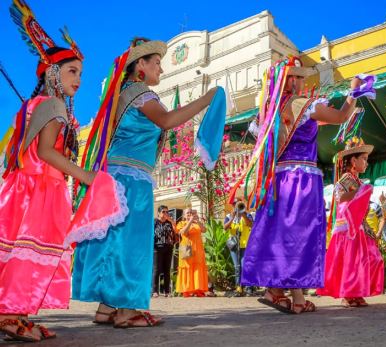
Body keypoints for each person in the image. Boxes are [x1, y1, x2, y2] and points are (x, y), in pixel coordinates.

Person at [72, 38, 222, 328]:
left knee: (117, 242)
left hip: (117, 176)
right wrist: (207, 99)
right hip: (130, 179)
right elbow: (166, 121)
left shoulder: (122, 93)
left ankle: (106, 308)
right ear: (139, 64)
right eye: (156, 63)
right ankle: (128, 311)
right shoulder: (138, 91)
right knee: (133, 246)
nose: (161, 70)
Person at [0, 0, 125, 342]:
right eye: (72, 72)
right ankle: (11, 315)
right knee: (29, 254)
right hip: (40, 190)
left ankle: (16, 314)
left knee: (18, 254)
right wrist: (86, 176)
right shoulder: (53, 105)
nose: (79, 80)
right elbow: (44, 153)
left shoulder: (34, 106)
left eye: (81, 73)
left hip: (24, 188)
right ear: (52, 73)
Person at [238, 56, 364, 314]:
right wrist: (354, 91)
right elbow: (341, 116)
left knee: (281, 235)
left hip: (277, 180)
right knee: (300, 236)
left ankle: (284, 293)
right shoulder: (303, 104)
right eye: (301, 77)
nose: (304, 82)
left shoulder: (268, 110)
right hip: (302, 178)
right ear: (291, 80)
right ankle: (290, 296)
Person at [320, 137, 384, 307]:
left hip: (359, 226)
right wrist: (361, 192)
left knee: (369, 258)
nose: (366, 163)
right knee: (352, 260)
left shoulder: (358, 181)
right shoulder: (345, 180)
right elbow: (341, 198)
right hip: (347, 228)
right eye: (364, 159)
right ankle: (348, 294)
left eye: (366, 159)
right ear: (353, 160)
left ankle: (356, 291)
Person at [224, 198, 254, 296]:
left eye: (238, 204)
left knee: (245, 265)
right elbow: (225, 227)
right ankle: (238, 286)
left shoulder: (247, 214)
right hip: (234, 245)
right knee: (237, 267)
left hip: (245, 244)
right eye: (234, 204)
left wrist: (243, 214)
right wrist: (232, 217)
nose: (236, 205)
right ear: (232, 206)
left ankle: (248, 287)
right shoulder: (229, 216)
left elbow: (251, 224)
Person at [176, 209, 209, 297]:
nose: (190, 214)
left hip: (197, 248)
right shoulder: (181, 223)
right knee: (186, 267)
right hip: (186, 247)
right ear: (184, 215)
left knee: (197, 267)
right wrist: (190, 221)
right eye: (188, 213)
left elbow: (204, 230)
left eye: (191, 212)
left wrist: (198, 221)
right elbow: (183, 232)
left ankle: (198, 289)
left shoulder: (196, 223)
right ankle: (186, 290)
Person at [152, 205, 176, 297]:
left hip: (168, 247)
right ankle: (155, 291)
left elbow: (176, 231)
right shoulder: (154, 222)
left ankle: (167, 291)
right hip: (157, 247)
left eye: (167, 212)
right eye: (163, 212)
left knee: (167, 269)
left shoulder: (169, 222)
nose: (166, 214)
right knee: (156, 269)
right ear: (158, 213)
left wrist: (171, 221)